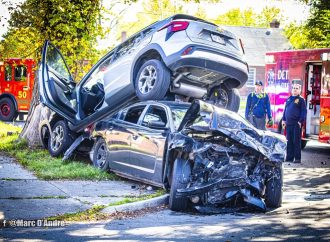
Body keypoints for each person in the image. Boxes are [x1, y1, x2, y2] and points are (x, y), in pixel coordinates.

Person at [282, 83, 307, 163]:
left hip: (296, 124)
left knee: (296, 142)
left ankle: (297, 158)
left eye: (297, 88)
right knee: (289, 141)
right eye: (294, 88)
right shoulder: (289, 99)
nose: (295, 90)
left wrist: (300, 121)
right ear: (291, 89)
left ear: (300, 90)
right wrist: (284, 120)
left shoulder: (301, 100)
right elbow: (285, 110)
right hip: (288, 124)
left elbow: (304, 111)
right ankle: (289, 158)